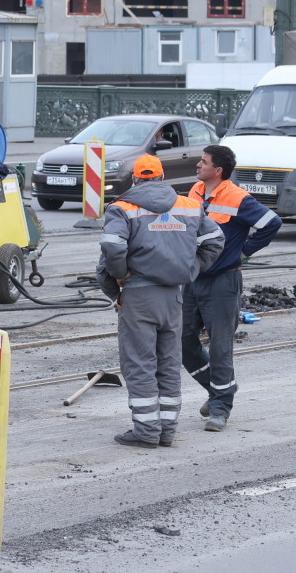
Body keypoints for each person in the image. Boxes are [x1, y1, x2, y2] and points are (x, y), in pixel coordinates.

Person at [97, 154, 222, 449]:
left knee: (140, 363)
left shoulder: (123, 207)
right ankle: (166, 430)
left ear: (135, 180)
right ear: (163, 178)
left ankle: (146, 431)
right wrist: (191, 268)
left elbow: (112, 246)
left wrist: (119, 276)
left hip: (139, 295)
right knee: (168, 363)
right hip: (173, 296)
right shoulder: (189, 206)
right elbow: (216, 239)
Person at [182, 144, 280, 432]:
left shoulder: (238, 197)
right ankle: (219, 389)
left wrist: (244, 251)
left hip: (223, 282)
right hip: (193, 279)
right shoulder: (195, 191)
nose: (198, 165)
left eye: (204, 161)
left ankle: (220, 408)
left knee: (220, 347)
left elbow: (271, 223)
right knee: (183, 340)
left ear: (218, 170)